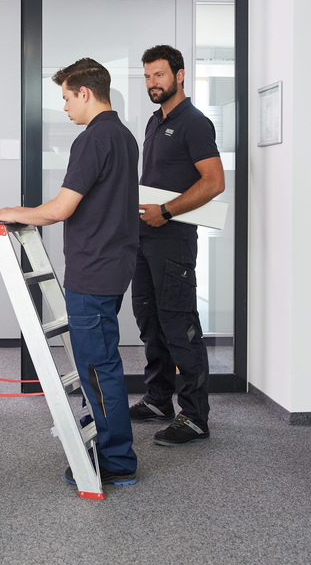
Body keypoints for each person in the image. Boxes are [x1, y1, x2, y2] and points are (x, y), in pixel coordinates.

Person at [0, 57, 140, 486]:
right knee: (102, 362)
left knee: (99, 366)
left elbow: (61, 208)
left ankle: (116, 462)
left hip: (94, 270)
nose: (65, 108)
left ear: (85, 93)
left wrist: (10, 212)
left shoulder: (93, 139)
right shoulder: (124, 136)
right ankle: (111, 445)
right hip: (113, 265)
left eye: (66, 98)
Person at [130, 44, 225, 447]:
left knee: (179, 325)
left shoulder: (194, 122)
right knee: (149, 321)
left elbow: (214, 182)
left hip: (174, 239)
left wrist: (166, 211)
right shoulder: (155, 121)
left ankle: (195, 416)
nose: (153, 83)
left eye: (160, 75)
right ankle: (158, 399)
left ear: (180, 75)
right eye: (148, 76)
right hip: (145, 238)